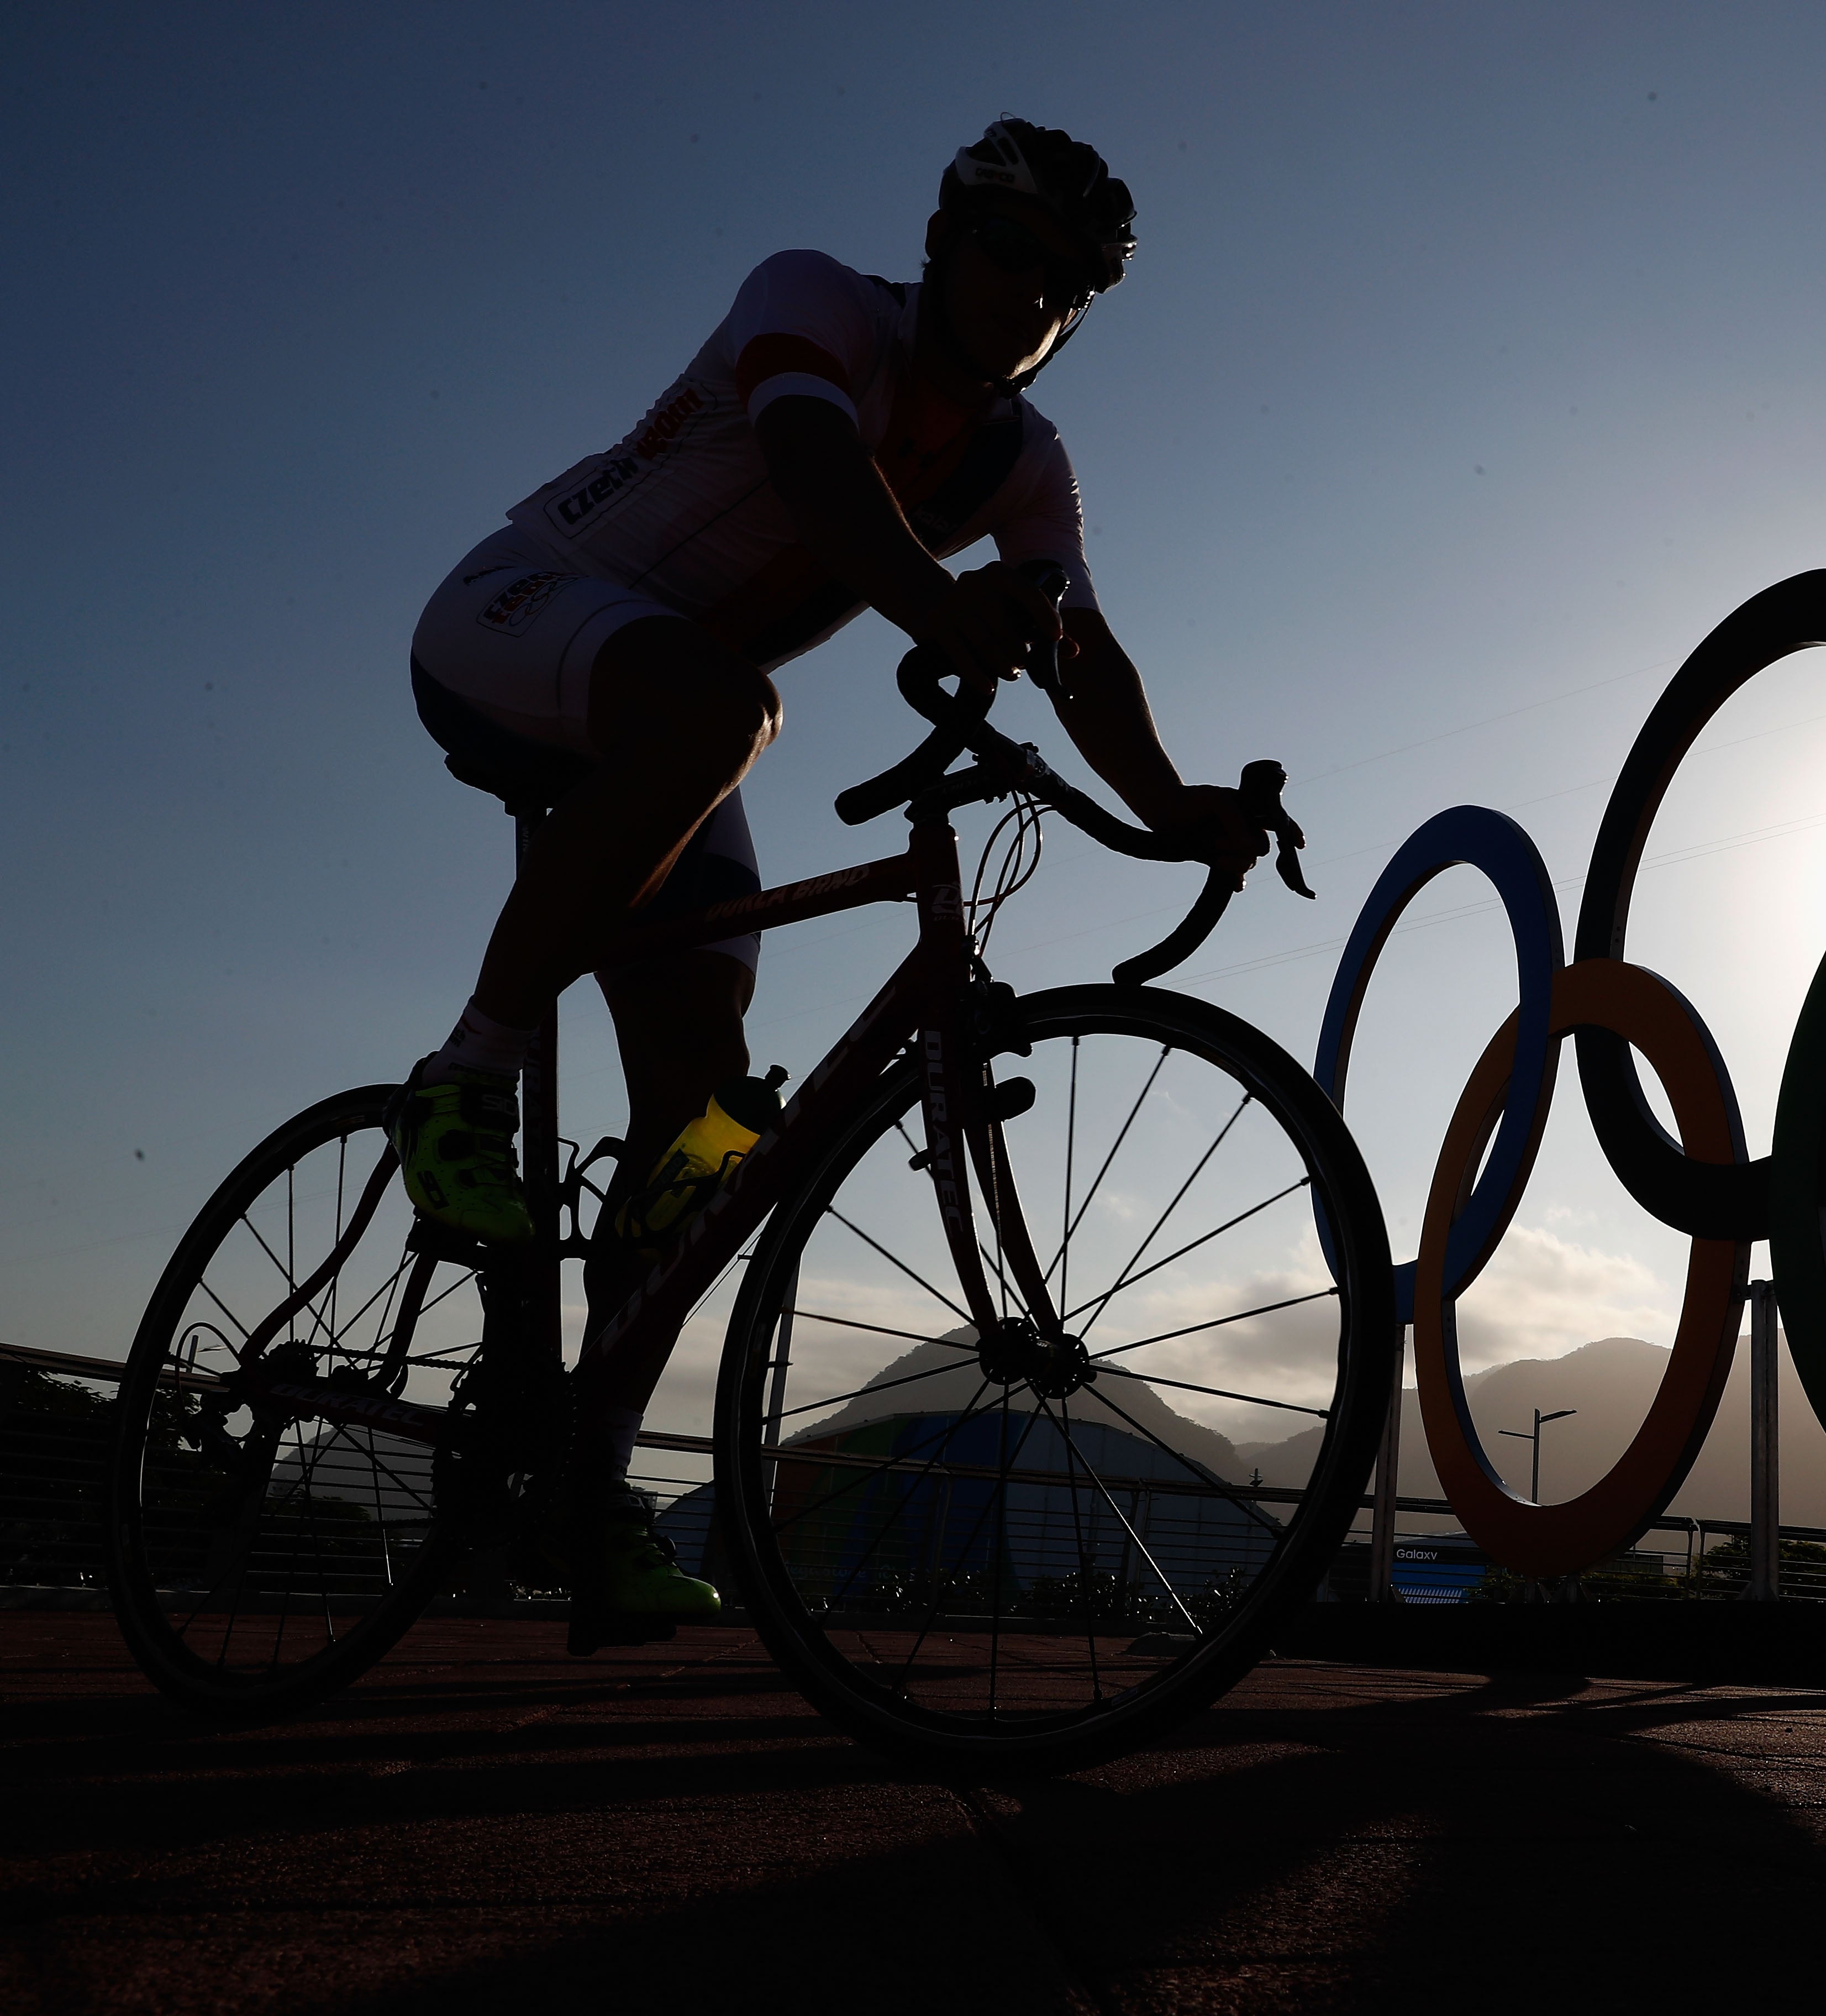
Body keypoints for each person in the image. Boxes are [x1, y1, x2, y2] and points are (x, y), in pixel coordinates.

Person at [388, 119, 1257, 1624]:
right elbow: (813, 476)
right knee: (733, 710)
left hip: (666, 716)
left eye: (1072, 288)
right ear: (944, 239)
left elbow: (1083, 654)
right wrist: (943, 611)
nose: (1034, 298)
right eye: (1012, 256)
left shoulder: (1022, 460)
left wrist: (1182, 808)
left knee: (707, 1127)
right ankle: (468, 1073)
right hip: (525, 614)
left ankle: (572, 1469)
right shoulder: (823, 302)